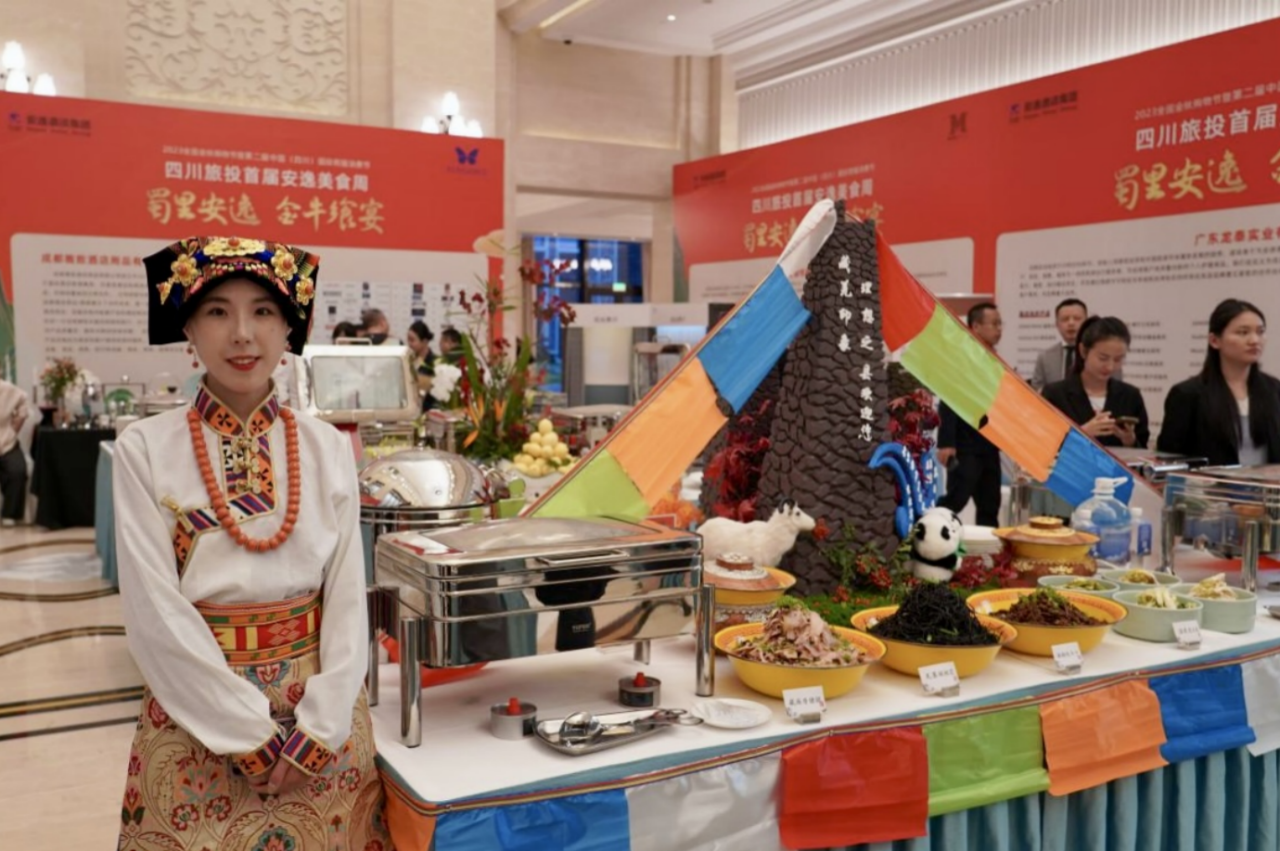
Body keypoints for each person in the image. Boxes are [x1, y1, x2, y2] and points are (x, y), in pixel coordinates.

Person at [116, 237, 389, 850]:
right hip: (195, 714)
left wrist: (320, 727)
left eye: (263, 311)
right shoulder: (144, 448)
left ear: (289, 328)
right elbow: (153, 609)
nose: (242, 334)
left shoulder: (325, 446)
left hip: (320, 718)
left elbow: (348, 592)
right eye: (217, 311)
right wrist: (245, 732)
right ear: (187, 327)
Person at [1159, 298, 1280, 466]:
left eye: (1260, 332)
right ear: (1215, 341)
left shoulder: (1274, 389)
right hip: (1208, 483)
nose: (1254, 340)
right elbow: (1169, 458)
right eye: (1243, 332)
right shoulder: (1188, 394)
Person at [937, 302, 1003, 527]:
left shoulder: (996, 359)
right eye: (994, 324)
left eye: (1000, 324)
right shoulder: (962, 358)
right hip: (965, 445)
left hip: (990, 443)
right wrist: (946, 442)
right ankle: (928, 534)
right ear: (976, 326)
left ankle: (990, 548)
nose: (999, 329)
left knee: (990, 503)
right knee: (956, 499)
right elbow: (949, 399)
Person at [1042, 316, 1149, 448]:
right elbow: (1043, 445)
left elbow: (1144, 449)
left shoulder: (1131, 396)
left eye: (1118, 359)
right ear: (1083, 351)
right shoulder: (1055, 394)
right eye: (1103, 358)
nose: (1110, 366)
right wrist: (1082, 434)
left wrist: (1130, 441)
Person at [1031, 298, 1087, 390]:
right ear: (1057, 324)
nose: (1071, 323)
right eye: (1065, 319)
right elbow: (1036, 390)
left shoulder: (1096, 355)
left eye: (1077, 318)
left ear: (1086, 322)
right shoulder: (1045, 357)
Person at [0, 377, 28, 526]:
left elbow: (23, 406)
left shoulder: (8, 389)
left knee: (17, 470)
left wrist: (14, 429)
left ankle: (9, 514)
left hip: (6, 442)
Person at [407, 320, 436, 411]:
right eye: (408, 340)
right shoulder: (408, 360)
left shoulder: (434, 363)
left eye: (412, 340)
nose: (409, 344)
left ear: (424, 341)